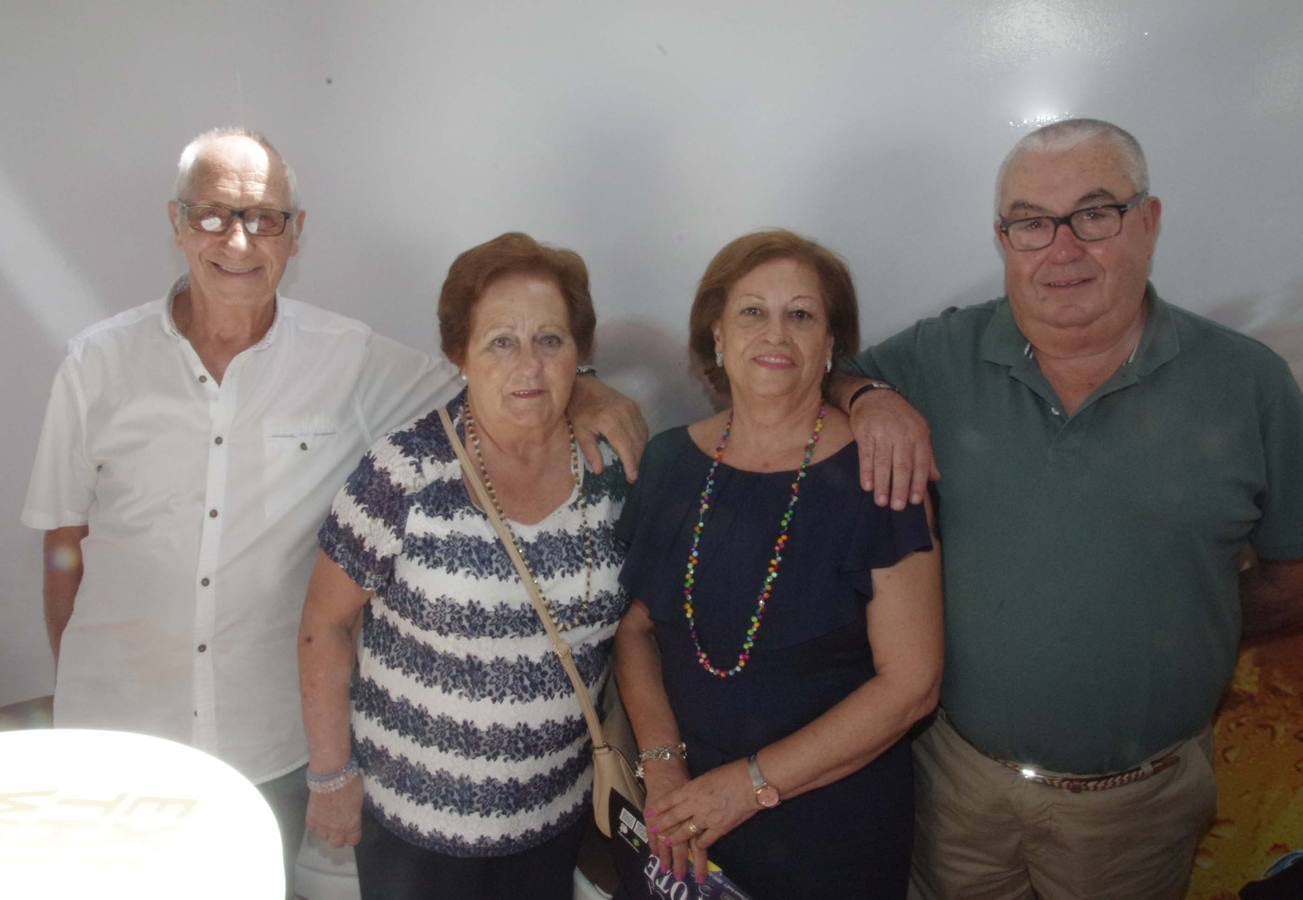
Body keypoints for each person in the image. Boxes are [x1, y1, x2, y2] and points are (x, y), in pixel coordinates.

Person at [20, 130, 647, 896]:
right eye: (214, 216)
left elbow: (490, 373)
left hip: (269, 743)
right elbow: (63, 545)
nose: (239, 240)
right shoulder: (97, 363)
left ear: (296, 233)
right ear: (177, 222)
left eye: (264, 217)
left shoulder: (350, 359)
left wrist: (582, 384)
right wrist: (75, 685)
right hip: (120, 732)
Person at [836, 118, 1303, 898]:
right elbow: (812, 371)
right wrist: (869, 397)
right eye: (1030, 222)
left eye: (1094, 214)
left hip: (1139, 809)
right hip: (955, 789)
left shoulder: (1249, 384)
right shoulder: (935, 359)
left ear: (1148, 223)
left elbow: (1290, 576)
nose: (1061, 249)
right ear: (1001, 238)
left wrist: (1169, 631)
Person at [298, 232, 632, 900]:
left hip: (552, 816)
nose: (528, 366)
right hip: (415, 830)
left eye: (550, 340)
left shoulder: (610, 471)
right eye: (500, 341)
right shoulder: (404, 472)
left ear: (579, 353)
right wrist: (331, 777)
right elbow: (323, 626)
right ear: (459, 353)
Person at [614, 230, 944, 899]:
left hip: (828, 826)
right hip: (682, 817)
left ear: (829, 346)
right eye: (751, 312)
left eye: (801, 314)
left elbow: (911, 684)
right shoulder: (669, 461)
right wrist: (663, 768)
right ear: (715, 336)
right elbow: (635, 629)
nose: (775, 333)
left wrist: (747, 786)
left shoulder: (879, 472)